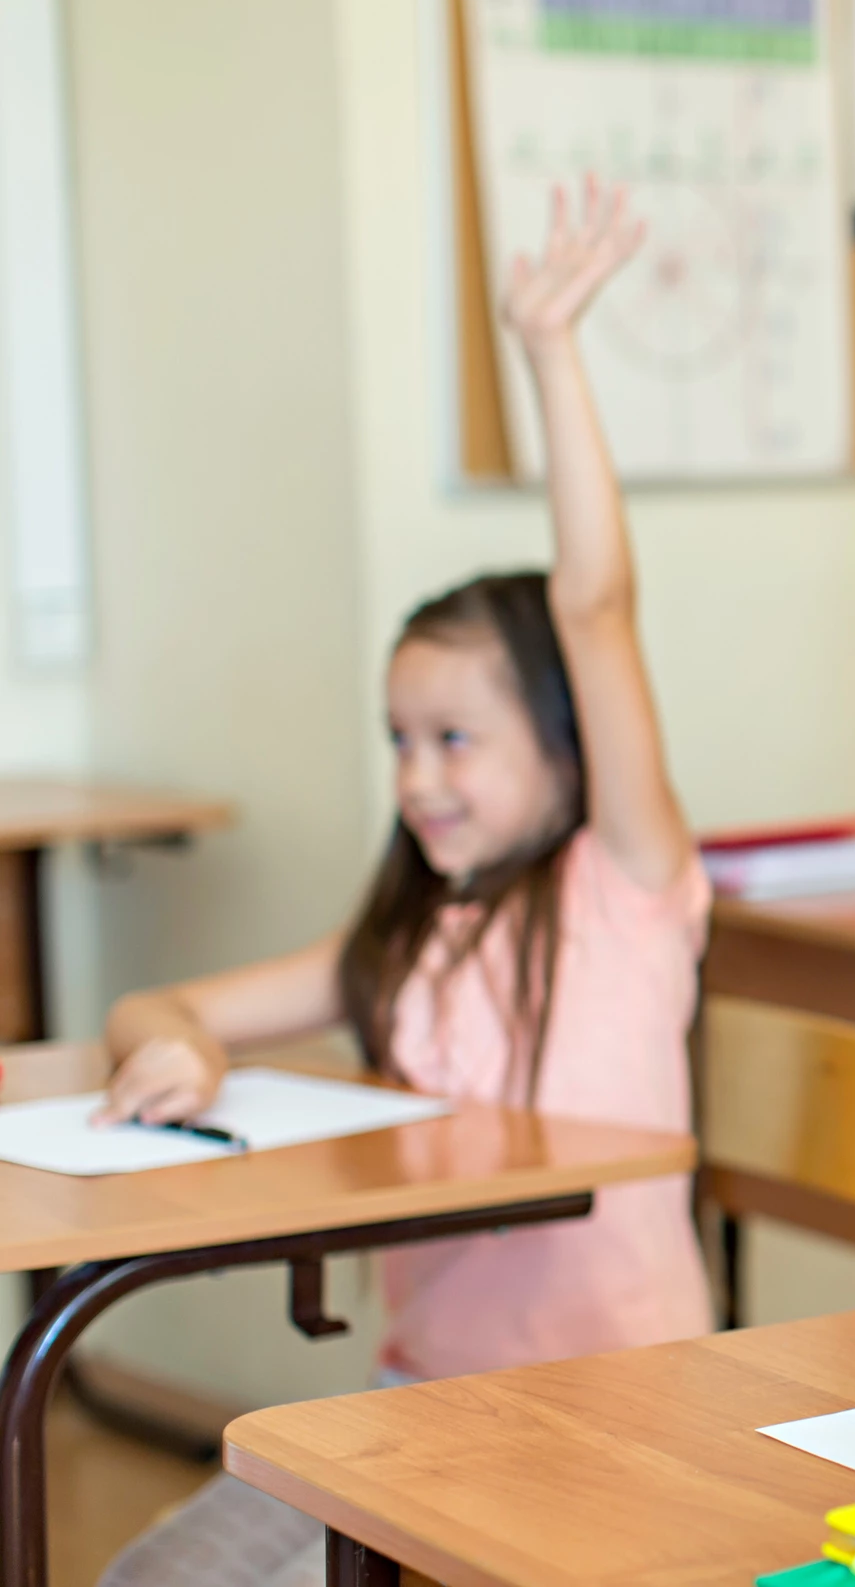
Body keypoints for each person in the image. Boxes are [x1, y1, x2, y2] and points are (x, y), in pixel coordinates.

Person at [96, 178, 711, 1587]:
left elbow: (597, 603)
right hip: (415, 1408)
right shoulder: (405, 933)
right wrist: (174, 1044)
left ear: (567, 743)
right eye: (398, 740)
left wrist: (549, 352)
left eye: (455, 739)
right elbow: (156, 996)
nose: (419, 775)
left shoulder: (627, 887)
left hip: (621, 1412)